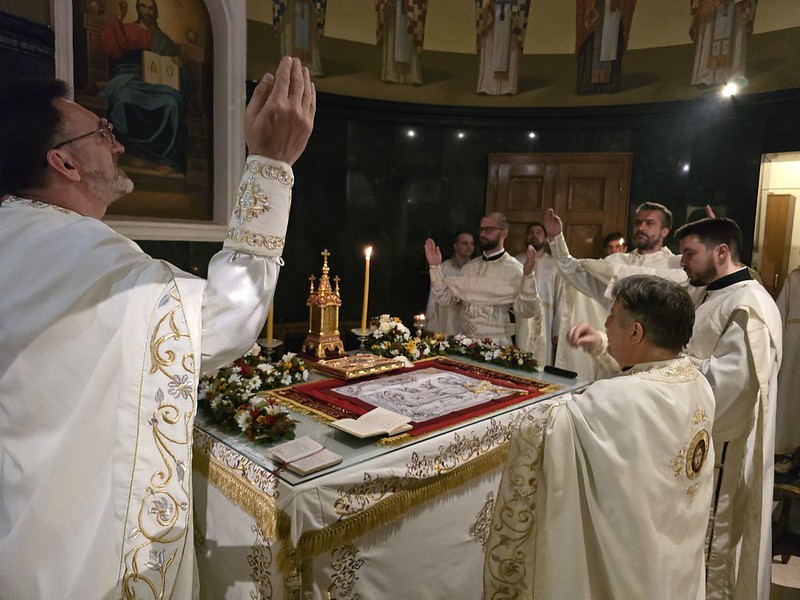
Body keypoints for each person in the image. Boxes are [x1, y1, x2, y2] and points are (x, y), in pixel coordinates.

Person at [0, 56, 315, 598]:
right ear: (64, 162)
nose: (119, 145)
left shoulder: (17, 235)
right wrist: (270, 165)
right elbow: (224, 319)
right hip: (81, 557)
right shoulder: (73, 249)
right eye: (103, 133)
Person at [484, 275, 716, 599]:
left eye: (612, 315)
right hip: (676, 546)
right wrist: (600, 348)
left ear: (636, 332)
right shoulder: (696, 380)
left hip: (634, 564)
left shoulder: (618, 400)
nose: (605, 324)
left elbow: (545, 426)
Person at [675, 217, 782, 599]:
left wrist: (666, 363)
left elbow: (730, 389)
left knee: (713, 558)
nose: (682, 262)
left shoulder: (748, 305)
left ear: (721, 252)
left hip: (723, 450)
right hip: (699, 441)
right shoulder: (710, 294)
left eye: (689, 253)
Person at [542, 202, 692, 379]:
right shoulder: (616, 262)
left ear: (664, 231)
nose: (641, 227)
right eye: (638, 222)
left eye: (649, 223)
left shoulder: (678, 266)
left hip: (655, 364)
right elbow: (575, 271)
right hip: (613, 357)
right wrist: (557, 238)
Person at [425, 212, 542, 346]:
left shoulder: (514, 269)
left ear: (504, 233)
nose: (482, 234)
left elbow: (527, 310)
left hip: (497, 344)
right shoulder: (469, 267)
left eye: (488, 230)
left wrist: (528, 276)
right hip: (464, 341)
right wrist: (435, 267)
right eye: (481, 229)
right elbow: (447, 299)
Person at [101, 0, 191, 174]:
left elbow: (178, 72)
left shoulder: (164, 41)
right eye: (143, 7)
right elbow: (112, 47)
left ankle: (164, 159)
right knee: (125, 98)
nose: (147, 11)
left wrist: (179, 65)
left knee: (173, 103)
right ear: (138, 9)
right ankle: (133, 152)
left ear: (155, 12)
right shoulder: (127, 30)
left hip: (158, 85)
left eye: (151, 8)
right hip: (130, 77)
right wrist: (118, 18)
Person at [514, 223, 564, 365]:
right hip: (521, 317)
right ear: (526, 237)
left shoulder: (555, 265)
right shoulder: (515, 262)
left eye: (539, 232)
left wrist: (557, 330)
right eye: (531, 232)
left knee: (543, 358)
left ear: (546, 239)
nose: (534, 235)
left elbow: (561, 298)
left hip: (546, 319)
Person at [690, 0, 758, 87]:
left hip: (736, 6)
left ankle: (734, 74)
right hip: (710, 7)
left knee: (736, 32)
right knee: (707, 33)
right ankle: (705, 76)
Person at [575, 0, 636, 94]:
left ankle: (609, 85)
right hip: (595, 10)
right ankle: (588, 85)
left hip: (613, 8)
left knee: (611, 43)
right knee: (591, 44)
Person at [475, 0, 531, 95]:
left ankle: (509, 87)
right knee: (488, 47)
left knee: (511, 49)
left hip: (511, 10)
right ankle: (486, 86)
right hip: (491, 10)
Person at [425, 231, 474, 336]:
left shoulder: (475, 269)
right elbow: (434, 295)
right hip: (446, 316)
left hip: (467, 317)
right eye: (465, 243)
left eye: (472, 243)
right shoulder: (444, 268)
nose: (469, 247)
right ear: (456, 246)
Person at [775, 264, 800, 464]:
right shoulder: (794, 278)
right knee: (790, 396)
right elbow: (780, 313)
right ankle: (788, 449)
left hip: (793, 340)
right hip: (793, 346)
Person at [376, 0, 427, 85]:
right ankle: (390, 74)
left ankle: (413, 76)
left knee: (411, 33)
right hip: (393, 6)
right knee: (391, 34)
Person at [273, 0, 326, 77]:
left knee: (307, 34)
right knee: (290, 32)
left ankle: (309, 66)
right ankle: (290, 65)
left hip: (308, 6)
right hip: (291, 7)